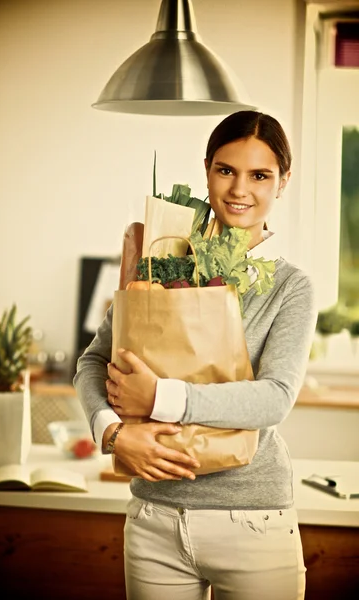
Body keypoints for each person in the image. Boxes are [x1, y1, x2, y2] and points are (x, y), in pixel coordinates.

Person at [73, 110, 317, 600]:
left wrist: (161, 397)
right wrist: (112, 432)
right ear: (207, 170)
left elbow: (274, 399)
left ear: (283, 182)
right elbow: (92, 361)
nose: (239, 190)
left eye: (260, 175)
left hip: (253, 521)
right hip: (154, 518)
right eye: (226, 170)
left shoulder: (290, 288)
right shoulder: (159, 260)